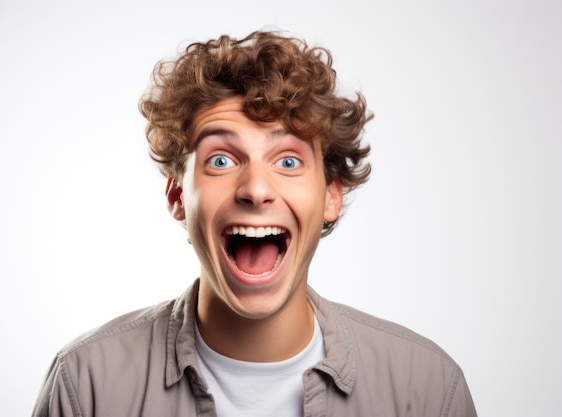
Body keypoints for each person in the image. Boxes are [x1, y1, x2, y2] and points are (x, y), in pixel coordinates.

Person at [32, 30, 477, 417]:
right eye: (221, 160)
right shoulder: (85, 385)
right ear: (177, 196)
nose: (256, 189)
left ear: (331, 196)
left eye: (287, 160)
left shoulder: (427, 390)